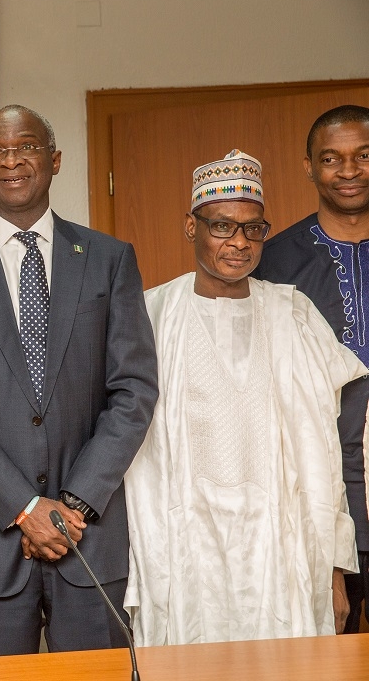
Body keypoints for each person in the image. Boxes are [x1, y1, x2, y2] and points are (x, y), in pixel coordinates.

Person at [0, 104, 158, 657]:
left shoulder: (109, 259)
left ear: (55, 160)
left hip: (90, 533)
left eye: (27, 146)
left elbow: (134, 389)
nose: (12, 159)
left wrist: (74, 504)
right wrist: (24, 507)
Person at [125, 150, 363, 645]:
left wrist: (335, 569)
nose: (239, 242)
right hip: (184, 552)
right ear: (190, 227)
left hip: (282, 551)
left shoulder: (291, 313)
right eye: (222, 226)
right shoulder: (150, 314)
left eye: (254, 229)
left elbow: (323, 451)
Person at [254, 104, 369, 633]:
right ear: (308, 167)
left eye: (363, 155)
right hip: (320, 486)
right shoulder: (273, 263)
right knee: (330, 647)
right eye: (332, 158)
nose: (349, 171)